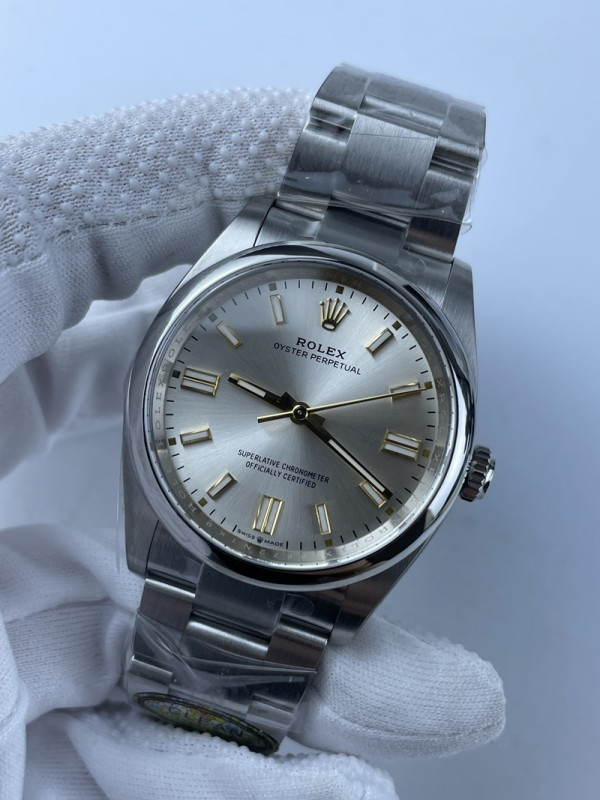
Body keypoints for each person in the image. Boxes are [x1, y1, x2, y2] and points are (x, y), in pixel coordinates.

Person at [0, 85, 505, 799]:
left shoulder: (437, 317)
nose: (303, 411)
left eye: (309, 410)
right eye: (295, 406)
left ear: (462, 472)